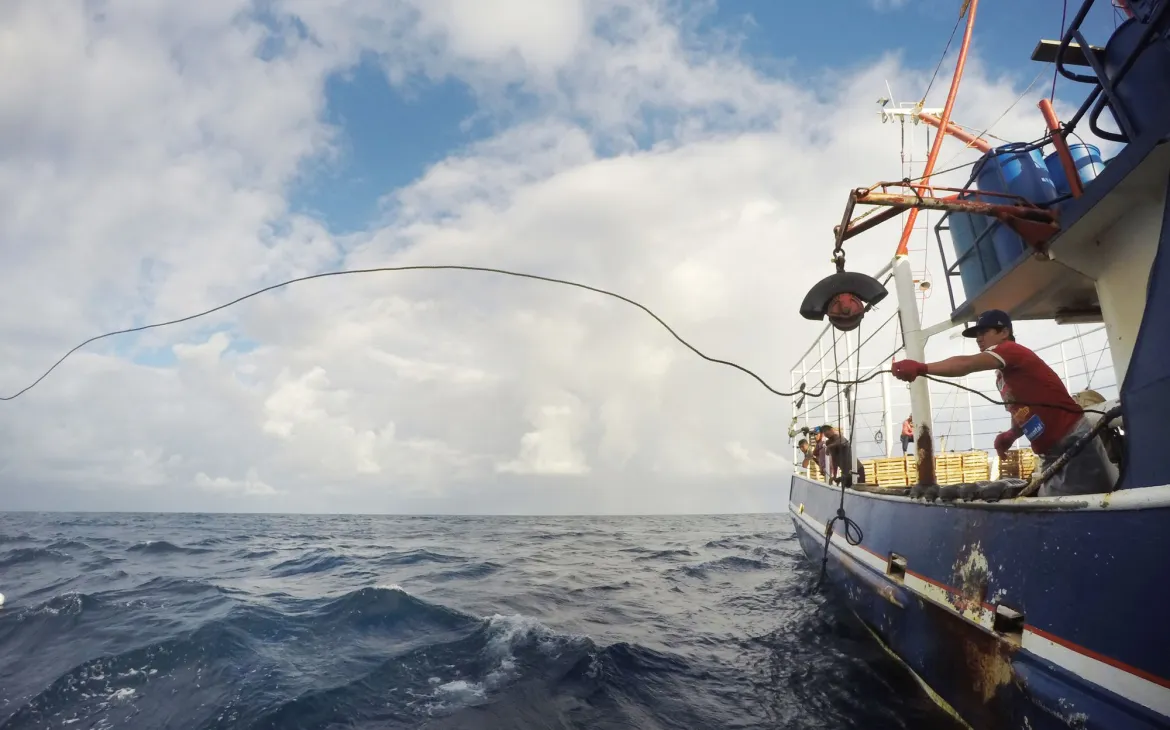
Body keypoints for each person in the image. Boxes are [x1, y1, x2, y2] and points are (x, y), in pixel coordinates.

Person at [890, 309, 1116, 497]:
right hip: (1052, 452)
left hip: (1073, 442)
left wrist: (922, 368)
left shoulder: (1010, 351)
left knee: (1077, 506)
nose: (979, 338)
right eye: (977, 334)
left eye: (984, 332)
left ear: (1004, 332)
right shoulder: (1003, 375)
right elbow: (1023, 408)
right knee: (1054, 501)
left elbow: (966, 364)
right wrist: (1011, 434)